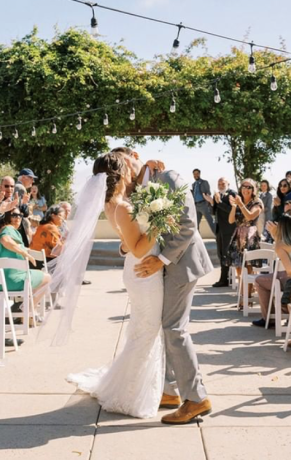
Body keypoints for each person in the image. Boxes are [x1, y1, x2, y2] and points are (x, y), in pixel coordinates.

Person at [65, 150, 213, 423]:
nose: (127, 173)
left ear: (134, 156)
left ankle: (196, 398)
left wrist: (162, 259)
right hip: (152, 269)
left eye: (125, 163)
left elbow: (187, 225)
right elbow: (132, 235)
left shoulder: (167, 177)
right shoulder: (130, 194)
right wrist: (130, 249)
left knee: (173, 328)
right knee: (160, 327)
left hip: (180, 265)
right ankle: (169, 391)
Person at [0, 210, 51, 312]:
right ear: (7, 216)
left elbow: (17, 246)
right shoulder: (8, 229)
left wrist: (29, 252)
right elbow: (5, 240)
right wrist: (25, 254)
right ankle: (28, 310)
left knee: (37, 277)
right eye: (14, 215)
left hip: (1, 281)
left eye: (20, 215)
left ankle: (25, 308)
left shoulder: (13, 232)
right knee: (47, 278)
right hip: (13, 280)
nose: (18, 217)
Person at [203, 177, 236, 287]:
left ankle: (224, 279)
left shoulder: (232, 194)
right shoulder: (217, 195)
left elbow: (231, 210)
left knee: (226, 254)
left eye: (223, 183)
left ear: (228, 184)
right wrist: (212, 202)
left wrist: (219, 202)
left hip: (229, 229)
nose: (220, 185)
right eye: (219, 184)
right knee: (220, 254)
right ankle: (226, 278)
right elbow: (214, 212)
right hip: (219, 229)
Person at [226, 179, 263, 270]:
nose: (246, 189)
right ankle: (241, 285)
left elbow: (250, 217)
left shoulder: (257, 203)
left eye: (249, 187)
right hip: (238, 236)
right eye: (244, 186)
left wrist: (241, 204)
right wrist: (234, 206)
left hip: (250, 236)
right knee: (238, 267)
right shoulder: (239, 202)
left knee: (249, 267)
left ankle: (250, 285)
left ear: (253, 189)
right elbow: (231, 221)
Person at [191, 169, 217, 237]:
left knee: (211, 222)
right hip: (196, 206)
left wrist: (207, 199)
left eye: (197, 173)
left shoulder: (204, 182)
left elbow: (208, 193)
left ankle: (218, 236)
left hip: (204, 205)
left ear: (199, 174)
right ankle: (198, 239)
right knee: (195, 224)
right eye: (194, 174)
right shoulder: (193, 184)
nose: (196, 175)